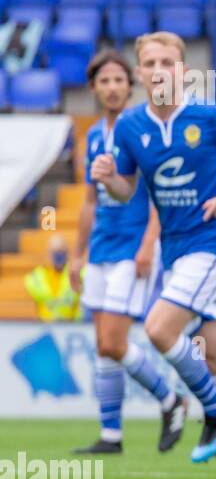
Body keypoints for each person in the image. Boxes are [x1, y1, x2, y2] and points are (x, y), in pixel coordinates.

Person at [89, 31, 216, 479]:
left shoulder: (209, 115)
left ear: (183, 70)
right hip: (175, 250)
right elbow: (127, 188)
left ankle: (214, 412)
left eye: (168, 62)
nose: (159, 70)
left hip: (215, 244)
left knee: (158, 328)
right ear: (141, 73)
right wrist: (107, 179)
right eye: (151, 63)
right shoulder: (132, 127)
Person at [69, 49, 187, 455]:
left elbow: (158, 192)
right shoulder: (92, 137)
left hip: (132, 248)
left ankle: (170, 400)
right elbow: (89, 200)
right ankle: (111, 435)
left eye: (120, 79)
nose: (113, 87)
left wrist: (148, 243)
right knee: (103, 344)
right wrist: (76, 254)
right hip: (101, 247)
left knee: (114, 342)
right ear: (94, 88)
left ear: (129, 84)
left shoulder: (142, 128)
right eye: (105, 81)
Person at [25, 234, 81, 322]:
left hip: (72, 326)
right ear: (48, 253)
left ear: (67, 252)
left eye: (62, 251)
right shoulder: (35, 277)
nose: (58, 255)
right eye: (55, 251)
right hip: (46, 327)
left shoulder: (78, 274)